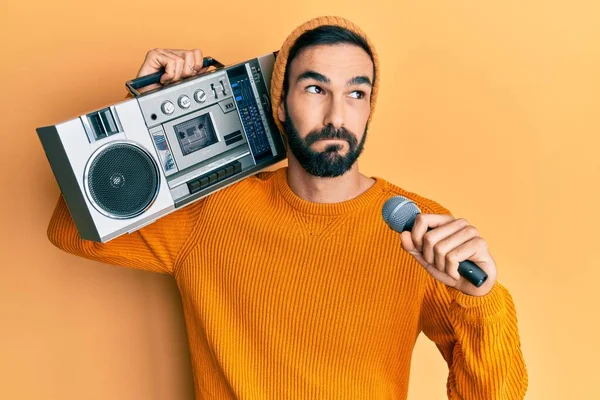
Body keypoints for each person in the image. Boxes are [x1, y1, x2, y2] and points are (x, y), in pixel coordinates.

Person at [47, 15, 528, 399]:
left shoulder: (419, 227)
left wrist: (480, 303)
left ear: (369, 107)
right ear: (279, 103)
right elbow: (73, 229)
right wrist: (139, 120)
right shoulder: (214, 209)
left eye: (355, 94)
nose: (337, 116)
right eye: (315, 89)